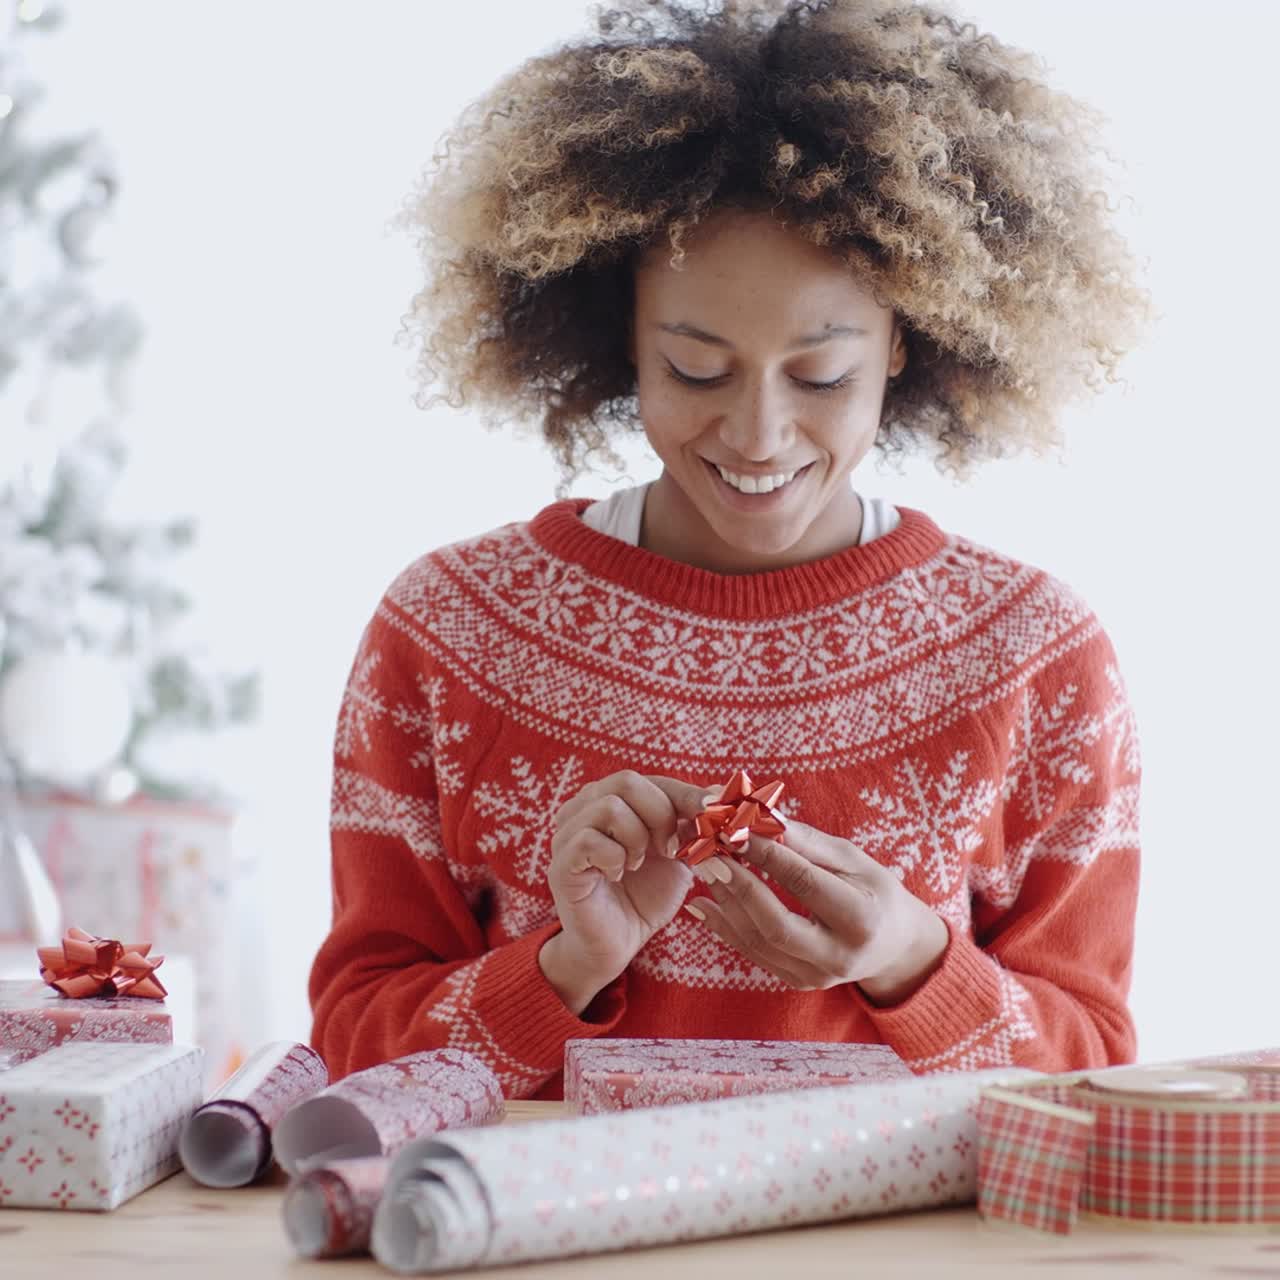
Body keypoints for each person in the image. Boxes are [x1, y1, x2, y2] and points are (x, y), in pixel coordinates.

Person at [309, 0, 1148, 1096]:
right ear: (619, 336)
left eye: (820, 375)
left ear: (904, 339)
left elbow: (1093, 1065)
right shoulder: (449, 631)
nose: (756, 436)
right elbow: (351, 1043)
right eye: (697, 370)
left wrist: (909, 961)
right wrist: (570, 964)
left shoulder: (1036, 655)